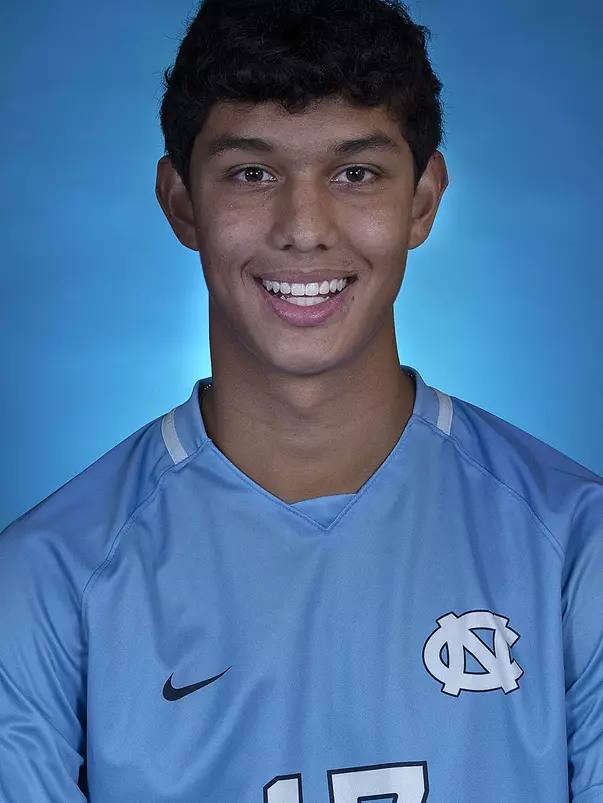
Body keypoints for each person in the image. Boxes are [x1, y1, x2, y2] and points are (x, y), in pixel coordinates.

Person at [1, 0, 602, 799]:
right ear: (182, 202)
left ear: (421, 201)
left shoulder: (574, 549)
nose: (304, 228)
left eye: (355, 173)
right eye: (252, 173)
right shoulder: (45, 581)